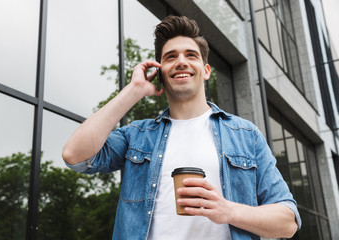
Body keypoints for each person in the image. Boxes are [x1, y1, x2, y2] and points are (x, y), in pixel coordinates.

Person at [62, 15, 301, 240]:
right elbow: (76, 156)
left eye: (191, 55)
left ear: (206, 71)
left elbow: (288, 221)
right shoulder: (138, 135)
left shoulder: (246, 135)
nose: (181, 62)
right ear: (160, 73)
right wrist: (133, 91)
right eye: (170, 57)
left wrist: (227, 211)